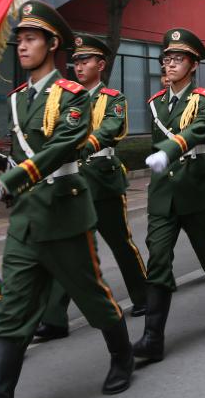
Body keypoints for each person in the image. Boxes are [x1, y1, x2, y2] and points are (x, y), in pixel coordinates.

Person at [0, 1, 133, 398]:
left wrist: (4, 184)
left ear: (52, 44)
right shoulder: (17, 98)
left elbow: (62, 147)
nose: (22, 46)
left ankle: (122, 357)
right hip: (28, 217)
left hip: (65, 212)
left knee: (92, 296)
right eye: (20, 39)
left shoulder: (73, 95)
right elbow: (20, 153)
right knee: (13, 310)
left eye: (31, 38)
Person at [33, 34, 148, 341]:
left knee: (120, 242)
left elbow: (111, 128)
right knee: (67, 250)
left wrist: (84, 145)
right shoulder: (62, 98)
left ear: (101, 64)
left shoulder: (112, 98)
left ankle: (143, 296)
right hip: (70, 183)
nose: (79, 66)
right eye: (76, 61)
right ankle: (55, 318)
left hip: (102, 180)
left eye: (85, 60)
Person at [135, 28, 205, 364]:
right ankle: (153, 337)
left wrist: (169, 149)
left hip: (196, 186)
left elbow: (200, 129)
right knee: (158, 258)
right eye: (167, 58)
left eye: (179, 59)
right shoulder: (155, 102)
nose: (171, 64)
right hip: (164, 191)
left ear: (194, 65)